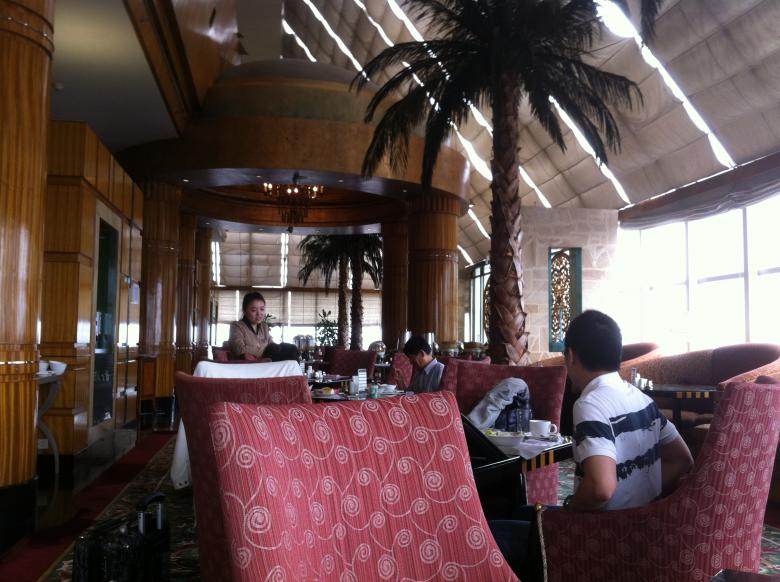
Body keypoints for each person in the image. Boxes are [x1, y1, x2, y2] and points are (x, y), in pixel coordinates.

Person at [490, 310, 693, 576]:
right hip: (638, 532)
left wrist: (570, 507)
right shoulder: (642, 399)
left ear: (571, 356)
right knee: (521, 512)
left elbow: (600, 488)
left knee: (490, 533)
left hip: (597, 540)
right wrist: (639, 497)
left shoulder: (591, 404)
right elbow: (682, 459)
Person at [228, 292, 299, 362]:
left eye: (262, 309)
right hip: (248, 365)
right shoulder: (237, 326)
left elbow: (272, 345)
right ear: (244, 311)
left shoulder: (264, 326)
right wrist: (266, 349)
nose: (259, 313)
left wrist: (271, 349)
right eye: (253, 310)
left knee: (292, 349)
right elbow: (240, 350)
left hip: (267, 362)